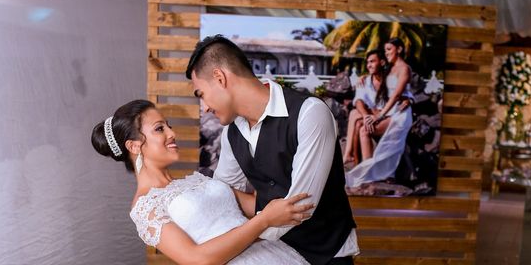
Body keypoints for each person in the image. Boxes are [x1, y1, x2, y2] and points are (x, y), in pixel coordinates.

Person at [186, 35, 358, 265]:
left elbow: (300, 208)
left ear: (220, 78)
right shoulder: (232, 132)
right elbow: (223, 199)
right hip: (271, 254)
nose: (204, 107)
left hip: (327, 254)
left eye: (201, 95)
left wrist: (242, 234)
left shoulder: (309, 113)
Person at [91, 100, 312, 264]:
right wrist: (262, 222)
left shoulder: (197, 179)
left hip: (277, 255)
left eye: (168, 125)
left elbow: (262, 206)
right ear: (134, 146)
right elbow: (198, 260)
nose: (172, 133)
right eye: (160, 129)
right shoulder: (144, 207)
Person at [345, 37, 414, 188]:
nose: (387, 53)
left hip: (399, 115)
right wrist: (364, 77)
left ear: (399, 50)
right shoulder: (391, 68)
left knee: (364, 128)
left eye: (389, 49)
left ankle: (373, 172)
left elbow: (398, 95)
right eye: (385, 51)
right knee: (360, 123)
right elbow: (381, 83)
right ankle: (367, 168)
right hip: (390, 112)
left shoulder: (404, 68)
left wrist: (380, 115)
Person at [342, 49, 387, 165]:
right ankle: (349, 155)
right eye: (368, 62)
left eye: (372, 62)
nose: (369, 65)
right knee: (354, 114)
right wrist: (366, 116)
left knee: (358, 123)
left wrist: (375, 114)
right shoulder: (365, 81)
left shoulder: (391, 80)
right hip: (372, 115)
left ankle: (352, 158)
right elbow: (358, 101)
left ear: (382, 62)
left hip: (385, 117)